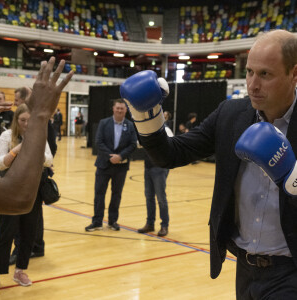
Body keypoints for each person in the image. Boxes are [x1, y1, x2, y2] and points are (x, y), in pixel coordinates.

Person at [120, 30, 297, 299]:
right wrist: (146, 117)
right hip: (245, 269)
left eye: (265, 74)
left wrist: (293, 177)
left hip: (290, 271)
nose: (252, 85)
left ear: (294, 74)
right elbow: (171, 154)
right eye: (249, 72)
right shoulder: (231, 115)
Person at [0, 57, 73, 215]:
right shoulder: (7, 135)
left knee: (33, 235)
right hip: (16, 186)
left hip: (33, 186)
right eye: (22, 120)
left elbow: (49, 156)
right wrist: (40, 114)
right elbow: (16, 197)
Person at [0, 104, 53, 290]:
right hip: (10, 193)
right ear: (16, 121)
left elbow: (49, 160)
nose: (27, 124)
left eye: (30, 120)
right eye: (23, 120)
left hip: (32, 192)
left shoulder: (39, 137)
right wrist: (18, 148)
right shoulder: (6, 136)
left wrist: (33, 147)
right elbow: (0, 164)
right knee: (6, 233)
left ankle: (20, 270)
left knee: (28, 233)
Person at [9, 86, 58, 265]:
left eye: (17, 101)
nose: (15, 104)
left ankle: (32, 247)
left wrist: (40, 163)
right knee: (30, 216)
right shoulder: (15, 126)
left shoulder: (42, 121)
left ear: (25, 101)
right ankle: (34, 247)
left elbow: (51, 148)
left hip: (36, 176)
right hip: (20, 177)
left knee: (31, 216)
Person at [85, 99, 137, 232]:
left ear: (126, 110)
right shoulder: (104, 123)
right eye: (118, 108)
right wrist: (111, 157)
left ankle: (113, 221)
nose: (120, 110)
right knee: (99, 194)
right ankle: (97, 222)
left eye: (122, 108)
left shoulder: (130, 125)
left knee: (116, 194)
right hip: (104, 165)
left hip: (121, 167)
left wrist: (120, 157)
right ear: (113, 109)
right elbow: (98, 142)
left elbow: (132, 144)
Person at [137, 125, 173, 237]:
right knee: (149, 197)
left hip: (160, 168)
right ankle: (150, 224)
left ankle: (164, 225)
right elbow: (138, 144)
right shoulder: (145, 129)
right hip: (148, 166)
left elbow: (171, 145)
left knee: (161, 198)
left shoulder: (165, 130)